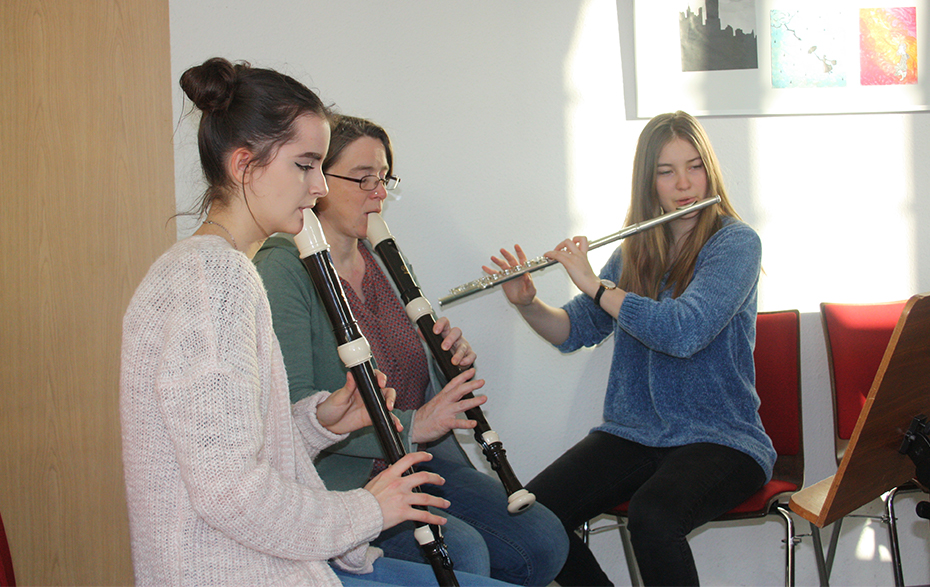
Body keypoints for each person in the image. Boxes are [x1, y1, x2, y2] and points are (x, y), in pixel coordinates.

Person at [120, 57, 512, 587]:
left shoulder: (207, 267)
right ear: (244, 165)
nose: (319, 187)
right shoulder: (216, 280)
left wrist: (320, 421)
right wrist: (370, 510)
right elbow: (229, 493)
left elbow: (239, 448)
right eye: (304, 165)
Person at [253, 114, 568, 586]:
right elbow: (294, 410)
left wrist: (449, 364)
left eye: (383, 179)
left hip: (410, 458)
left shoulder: (378, 256)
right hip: (340, 481)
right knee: (463, 553)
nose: (378, 194)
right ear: (318, 180)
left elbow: (409, 372)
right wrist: (419, 423)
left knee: (543, 539)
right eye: (363, 179)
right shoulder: (283, 270)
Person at [485, 111, 777, 586]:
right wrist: (529, 303)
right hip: (634, 432)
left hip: (721, 437)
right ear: (649, 181)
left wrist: (595, 284)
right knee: (533, 521)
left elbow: (685, 331)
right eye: (666, 171)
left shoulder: (736, 243)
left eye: (694, 165)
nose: (684, 183)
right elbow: (573, 330)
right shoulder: (636, 250)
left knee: (653, 516)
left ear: (710, 169)